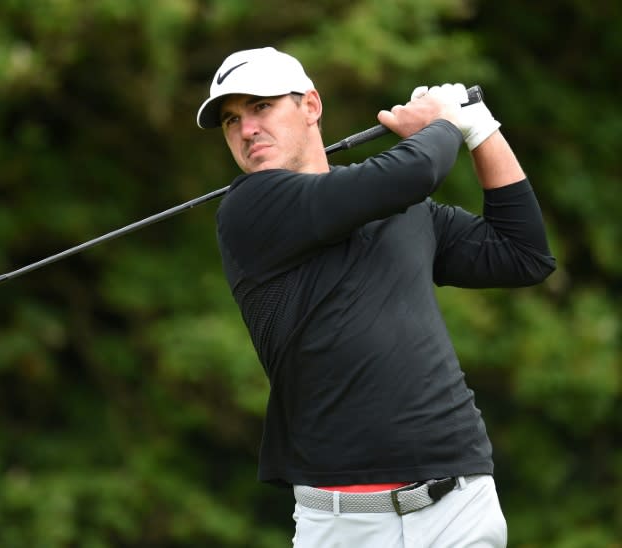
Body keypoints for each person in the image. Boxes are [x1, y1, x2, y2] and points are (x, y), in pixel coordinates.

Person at [196, 46, 555, 547]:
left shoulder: (402, 208)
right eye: (232, 120)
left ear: (311, 107)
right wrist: (443, 123)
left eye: (261, 107)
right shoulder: (249, 209)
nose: (247, 129)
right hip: (343, 524)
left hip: (460, 506)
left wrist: (481, 131)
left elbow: (523, 255)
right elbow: (412, 171)